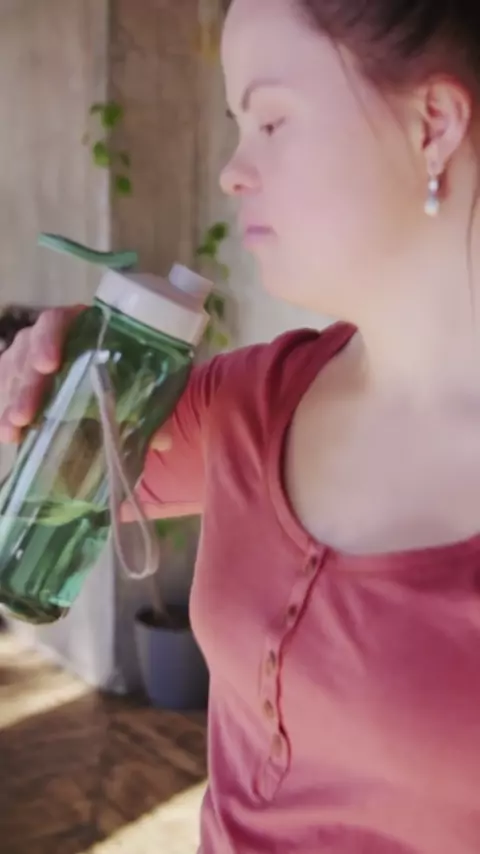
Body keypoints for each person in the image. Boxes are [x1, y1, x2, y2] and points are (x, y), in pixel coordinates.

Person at [2, 0, 480, 849]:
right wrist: (38, 397)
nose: (232, 173)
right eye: (234, 125)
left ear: (433, 125)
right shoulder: (252, 403)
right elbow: (53, 485)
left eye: (270, 121)